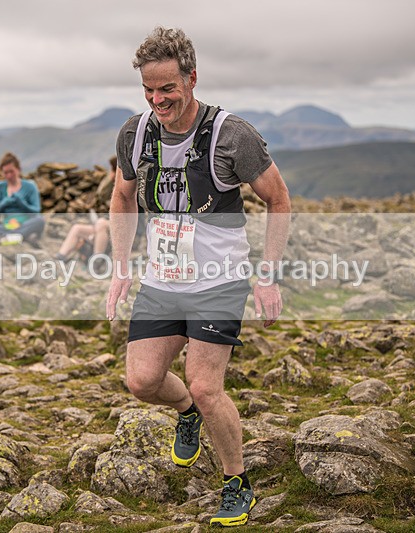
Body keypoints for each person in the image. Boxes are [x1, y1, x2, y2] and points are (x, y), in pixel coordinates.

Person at [106, 27, 291, 527]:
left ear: (192, 78)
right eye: (148, 89)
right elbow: (123, 197)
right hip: (163, 280)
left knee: (207, 385)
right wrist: (121, 267)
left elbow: (278, 198)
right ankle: (185, 411)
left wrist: (267, 276)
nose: (157, 99)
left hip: (218, 281)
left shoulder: (232, 135)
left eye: (167, 87)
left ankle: (237, 481)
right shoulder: (135, 132)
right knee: (141, 380)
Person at [0, 152, 45, 244]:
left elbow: (36, 210)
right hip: (6, 224)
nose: (9, 176)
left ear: (18, 170)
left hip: (25, 223)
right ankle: (20, 236)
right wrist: (4, 203)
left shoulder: (30, 186)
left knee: (39, 221)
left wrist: (23, 204)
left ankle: (4, 237)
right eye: (5, 173)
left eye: (11, 171)